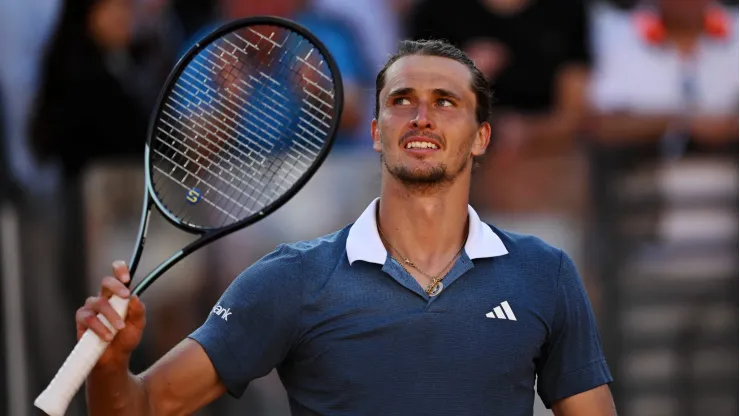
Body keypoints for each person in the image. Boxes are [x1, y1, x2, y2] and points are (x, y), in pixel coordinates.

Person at [76, 39, 616, 415]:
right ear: (378, 133)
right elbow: (142, 406)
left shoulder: (546, 273)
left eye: (445, 102)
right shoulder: (290, 279)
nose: (421, 117)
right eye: (402, 101)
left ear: (481, 138)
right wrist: (109, 365)